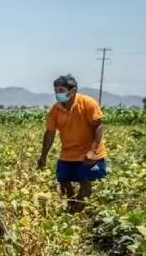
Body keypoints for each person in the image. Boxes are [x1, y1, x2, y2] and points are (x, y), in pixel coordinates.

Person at [37, 74, 106, 213]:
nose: (58, 93)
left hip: (91, 152)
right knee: (63, 181)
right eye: (56, 90)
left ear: (72, 90)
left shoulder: (88, 103)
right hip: (68, 152)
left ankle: (77, 211)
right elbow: (50, 133)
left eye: (61, 90)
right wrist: (43, 156)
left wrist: (92, 151)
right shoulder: (55, 110)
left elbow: (98, 126)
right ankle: (72, 204)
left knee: (86, 182)